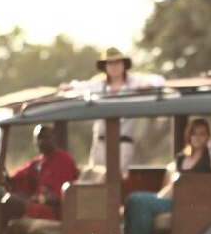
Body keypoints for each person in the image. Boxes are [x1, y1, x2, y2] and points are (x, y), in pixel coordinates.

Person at [63, 47, 164, 177]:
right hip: (101, 142)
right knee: (96, 176)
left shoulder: (134, 82)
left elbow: (159, 80)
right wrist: (69, 87)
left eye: (117, 62)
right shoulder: (99, 84)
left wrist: (146, 87)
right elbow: (78, 86)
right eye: (110, 63)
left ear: (124, 64)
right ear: (105, 66)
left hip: (123, 142)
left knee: (118, 179)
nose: (114, 66)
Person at [123, 118, 211, 234]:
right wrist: (157, 198)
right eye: (194, 133)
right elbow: (173, 185)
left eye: (202, 134)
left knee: (138, 201)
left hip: (189, 204)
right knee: (133, 199)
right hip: (173, 199)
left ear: (207, 136)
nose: (197, 137)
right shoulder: (182, 158)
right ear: (189, 136)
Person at [2, 124, 79, 222]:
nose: (41, 142)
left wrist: (33, 199)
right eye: (38, 138)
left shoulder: (63, 159)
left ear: (54, 138)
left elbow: (59, 197)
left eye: (46, 138)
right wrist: (6, 180)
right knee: (1, 198)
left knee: (9, 202)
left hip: (54, 212)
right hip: (38, 206)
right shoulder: (37, 162)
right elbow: (16, 178)